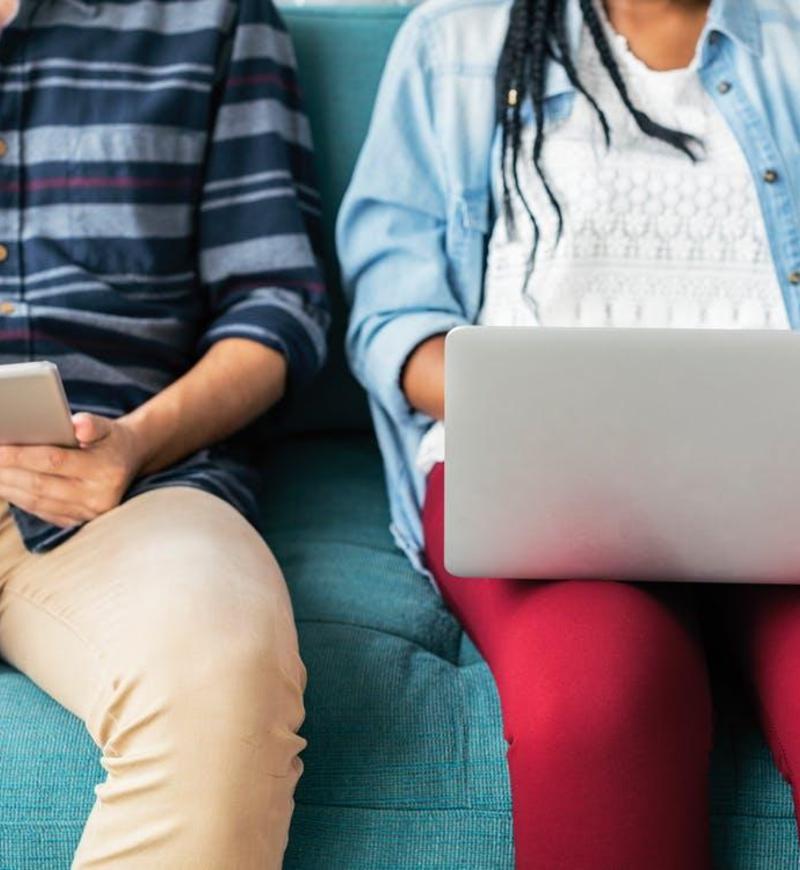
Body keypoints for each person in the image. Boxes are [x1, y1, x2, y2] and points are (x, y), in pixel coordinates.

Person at [338, 0, 800, 866]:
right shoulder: (453, 43)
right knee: (596, 702)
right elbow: (394, 322)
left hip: (785, 482)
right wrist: (528, 408)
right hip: (545, 488)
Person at [0, 0, 326, 866]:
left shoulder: (215, 16)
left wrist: (137, 443)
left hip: (129, 486)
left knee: (218, 673)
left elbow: (278, 306)